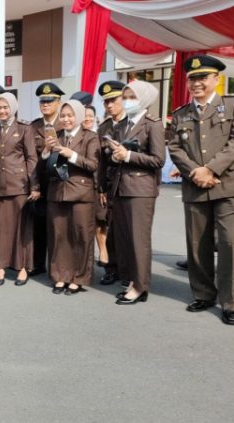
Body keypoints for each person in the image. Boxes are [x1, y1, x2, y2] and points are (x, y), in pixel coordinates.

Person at [168, 55, 234, 325]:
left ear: (216, 79)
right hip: (195, 186)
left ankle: (230, 301)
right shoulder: (182, 113)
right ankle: (204, 293)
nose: (196, 83)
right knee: (198, 245)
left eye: (202, 77)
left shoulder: (230, 106)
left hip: (226, 185)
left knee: (230, 243)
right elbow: (174, 146)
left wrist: (212, 169)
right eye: (192, 78)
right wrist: (196, 171)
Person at [109, 80, 165, 305]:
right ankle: (133, 280)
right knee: (125, 239)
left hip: (141, 189)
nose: (126, 101)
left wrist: (129, 156)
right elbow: (120, 153)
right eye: (125, 96)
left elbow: (158, 160)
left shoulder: (153, 124)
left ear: (143, 99)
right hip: (121, 186)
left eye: (132, 96)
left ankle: (141, 286)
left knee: (138, 239)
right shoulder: (123, 124)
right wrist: (116, 156)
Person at [43, 100, 100, 295]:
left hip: (81, 193)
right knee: (59, 236)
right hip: (57, 192)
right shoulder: (56, 136)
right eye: (63, 116)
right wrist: (46, 150)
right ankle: (60, 276)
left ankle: (79, 277)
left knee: (81, 236)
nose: (66, 119)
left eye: (70, 115)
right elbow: (46, 163)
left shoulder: (90, 137)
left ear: (79, 116)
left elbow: (93, 165)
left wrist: (71, 154)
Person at [0, 93, 39, 286]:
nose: (1, 111)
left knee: (21, 229)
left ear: (13, 108)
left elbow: (32, 158)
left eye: (5, 107)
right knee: (0, 229)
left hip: (20, 185)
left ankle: (22, 268)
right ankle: (0, 267)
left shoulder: (24, 128)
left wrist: (34, 185)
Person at [30, 82, 65, 276]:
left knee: (57, 227)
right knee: (38, 225)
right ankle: (37, 263)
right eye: (42, 101)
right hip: (39, 182)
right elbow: (30, 158)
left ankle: (56, 267)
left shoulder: (65, 123)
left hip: (59, 182)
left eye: (50, 101)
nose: (45, 104)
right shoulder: (33, 126)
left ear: (59, 102)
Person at [96, 80, 127, 286]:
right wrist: (100, 188)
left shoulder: (132, 123)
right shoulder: (104, 127)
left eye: (113, 100)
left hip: (129, 184)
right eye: (106, 101)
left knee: (128, 231)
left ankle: (129, 271)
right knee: (109, 228)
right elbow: (100, 161)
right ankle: (111, 268)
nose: (109, 105)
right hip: (109, 185)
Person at [81, 104, 110, 268]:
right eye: (85, 115)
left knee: (100, 220)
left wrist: (102, 188)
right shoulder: (77, 136)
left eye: (90, 116)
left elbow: (103, 165)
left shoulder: (100, 137)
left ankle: (103, 251)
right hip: (81, 186)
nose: (87, 118)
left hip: (98, 185)